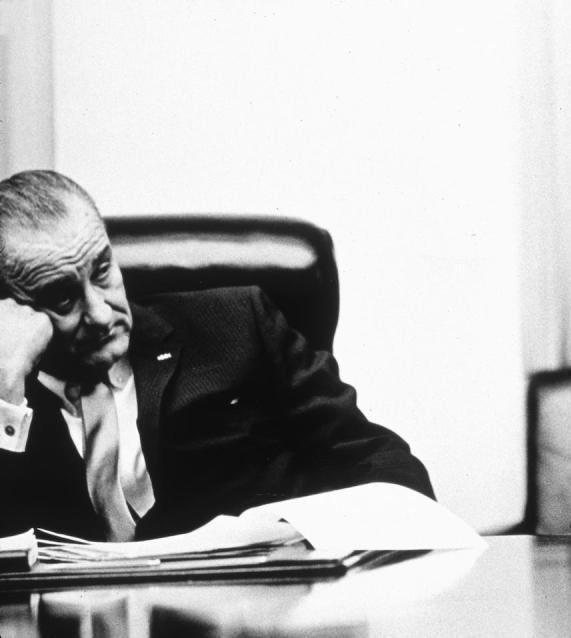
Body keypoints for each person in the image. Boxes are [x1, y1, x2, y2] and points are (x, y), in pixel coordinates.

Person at [0, 170, 434, 541]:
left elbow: (380, 460)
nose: (98, 312)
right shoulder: (8, 398)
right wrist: (6, 395)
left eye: (101, 270)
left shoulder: (236, 323)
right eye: (61, 298)